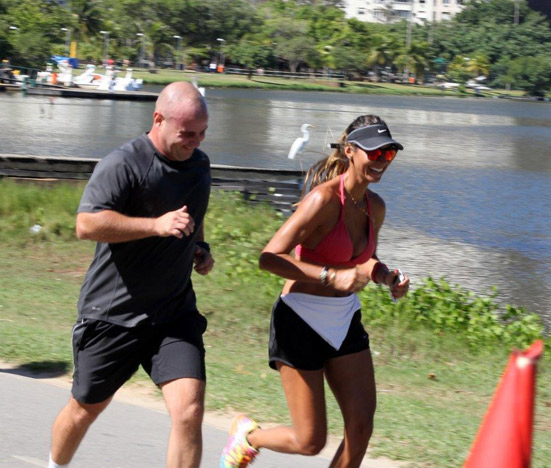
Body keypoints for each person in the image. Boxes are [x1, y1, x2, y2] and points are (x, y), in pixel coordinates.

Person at [220, 115, 410, 468]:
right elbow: (269, 257)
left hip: (344, 320)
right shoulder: (322, 200)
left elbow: (368, 259)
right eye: (375, 153)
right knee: (310, 441)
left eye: (389, 155)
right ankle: (248, 436)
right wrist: (329, 276)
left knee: (361, 426)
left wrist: (386, 277)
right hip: (300, 318)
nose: (382, 162)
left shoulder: (375, 207)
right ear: (351, 151)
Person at [48, 82, 214, 468]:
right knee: (85, 408)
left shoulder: (200, 164)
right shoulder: (124, 163)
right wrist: (156, 227)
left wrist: (200, 249)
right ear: (158, 119)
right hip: (113, 316)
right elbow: (87, 223)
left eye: (203, 133)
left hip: (173, 314)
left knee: (188, 412)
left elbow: (194, 216)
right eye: (188, 133)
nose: (196, 141)